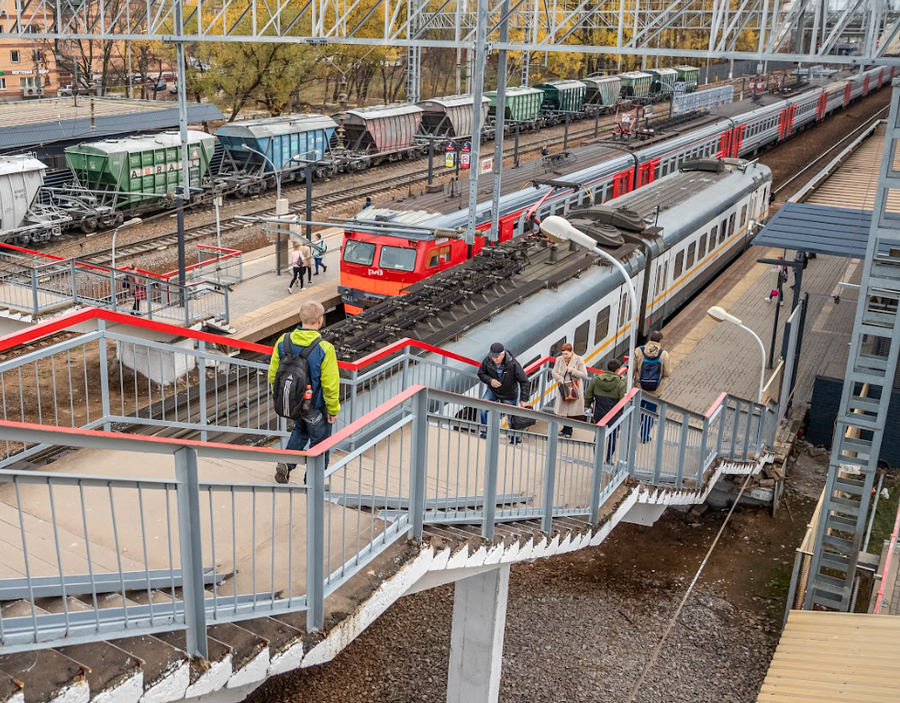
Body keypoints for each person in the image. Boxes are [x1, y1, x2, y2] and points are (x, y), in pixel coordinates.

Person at [268, 300, 340, 484]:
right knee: (321, 442)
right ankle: (313, 483)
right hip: (315, 407)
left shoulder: (283, 341)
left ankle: (286, 462)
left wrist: (282, 398)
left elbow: (273, 375)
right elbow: (330, 384)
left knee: (300, 431)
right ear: (320, 320)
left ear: (301, 318)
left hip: (293, 403)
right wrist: (333, 409)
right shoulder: (325, 348)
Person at [477, 342, 529, 444]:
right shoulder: (488, 359)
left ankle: (515, 439)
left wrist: (524, 399)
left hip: (509, 394)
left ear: (502, 354)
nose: (494, 359)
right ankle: (485, 432)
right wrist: (490, 380)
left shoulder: (513, 364)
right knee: (483, 407)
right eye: (492, 357)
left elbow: (524, 381)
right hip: (493, 390)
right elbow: (481, 373)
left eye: (496, 357)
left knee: (511, 417)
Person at [632, 330, 672, 443]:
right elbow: (667, 373)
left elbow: (633, 368)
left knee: (637, 411)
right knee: (650, 413)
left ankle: (632, 433)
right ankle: (644, 436)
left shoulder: (639, 350)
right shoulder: (664, 354)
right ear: (660, 340)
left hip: (639, 388)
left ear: (649, 338)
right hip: (655, 390)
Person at [584, 359, 627, 463]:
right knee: (613, 436)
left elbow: (588, 394)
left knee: (598, 435)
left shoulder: (596, 379)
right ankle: (608, 459)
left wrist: (587, 405)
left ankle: (597, 459)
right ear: (617, 370)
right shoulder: (620, 383)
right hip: (614, 414)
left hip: (599, 412)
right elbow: (622, 401)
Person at [551, 343, 587, 438]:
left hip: (574, 388)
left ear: (571, 352)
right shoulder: (559, 360)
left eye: (566, 354)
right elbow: (553, 372)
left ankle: (569, 430)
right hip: (564, 387)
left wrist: (573, 371)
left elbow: (584, 374)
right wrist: (559, 379)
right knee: (564, 411)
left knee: (571, 411)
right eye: (563, 354)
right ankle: (564, 428)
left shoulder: (579, 359)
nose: (564, 356)